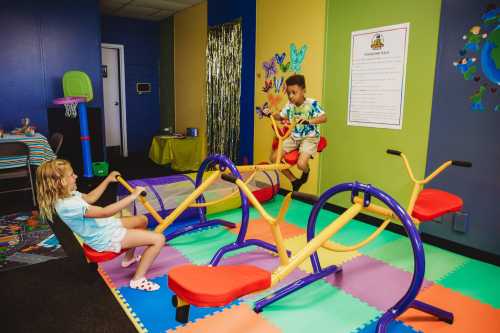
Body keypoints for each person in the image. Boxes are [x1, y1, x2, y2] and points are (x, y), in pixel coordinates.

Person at [36, 159, 165, 291]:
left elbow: (90, 198)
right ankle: (138, 280)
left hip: (104, 226)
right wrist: (132, 196)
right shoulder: (67, 205)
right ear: (61, 182)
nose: (76, 176)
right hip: (106, 237)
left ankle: (129, 258)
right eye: (71, 175)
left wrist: (108, 179)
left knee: (142, 220)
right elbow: (105, 212)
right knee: (159, 239)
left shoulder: (69, 194)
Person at [264, 74, 327, 191]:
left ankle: (306, 172)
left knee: (301, 164)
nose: (291, 96)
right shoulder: (289, 105)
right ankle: (294, 180)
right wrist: (270, 114)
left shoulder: (311, 104)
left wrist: (309, 121)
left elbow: (324, 118)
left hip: (309, 138)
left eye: (294, 92)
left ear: (303, 90)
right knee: (273, 159)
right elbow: (280, 116)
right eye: (288, 93)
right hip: (294, 137)